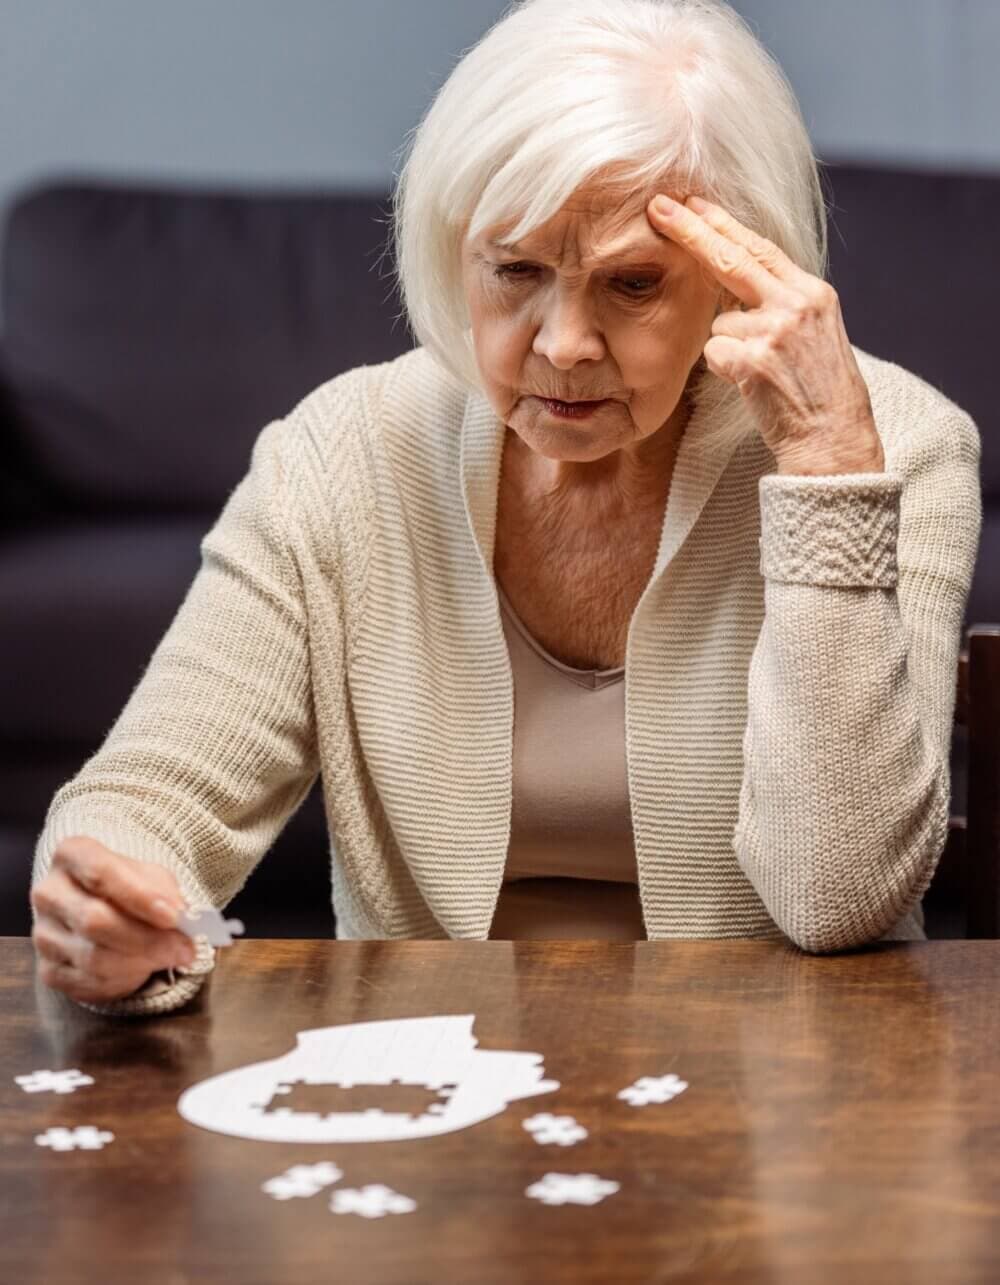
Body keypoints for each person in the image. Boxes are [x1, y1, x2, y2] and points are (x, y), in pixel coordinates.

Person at [29, 0, 981, 1017]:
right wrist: (111, 904)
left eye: (632, 283)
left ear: (736, 276)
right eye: (516, 269)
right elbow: (148, 795)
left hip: (778, 1076)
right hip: (427, 1076)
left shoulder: (892, 446)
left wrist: (828, 474)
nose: (564, 343)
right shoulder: (341, 453)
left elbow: (839, 900)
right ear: (455, 251)